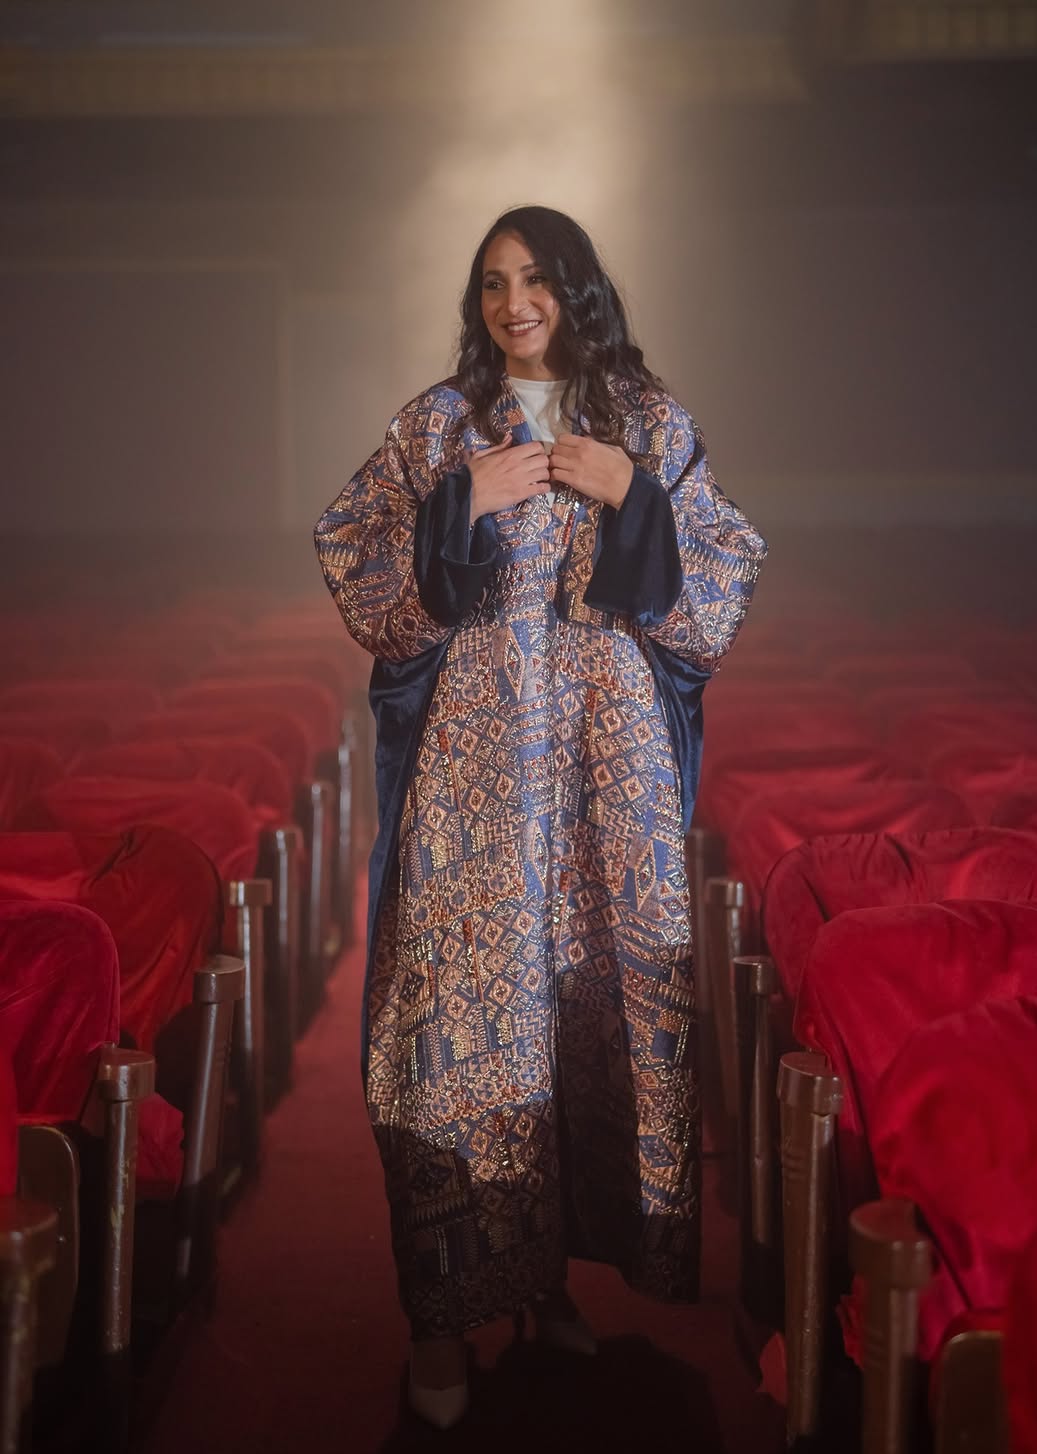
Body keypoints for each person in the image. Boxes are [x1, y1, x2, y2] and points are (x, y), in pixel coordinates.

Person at [314, 205, 766, 1429]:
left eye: (537, 281)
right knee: (456, 1037)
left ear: (580, 289)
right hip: (475, 787)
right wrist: (453, 503)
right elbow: (354, 563)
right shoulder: (437, 425)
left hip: (606, 788)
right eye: (493, 284)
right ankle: (445, 1319)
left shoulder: (649, 421)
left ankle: (548, 1281)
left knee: (583, 1028)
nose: (514, 304)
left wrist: (636, 499)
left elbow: (718, 591)